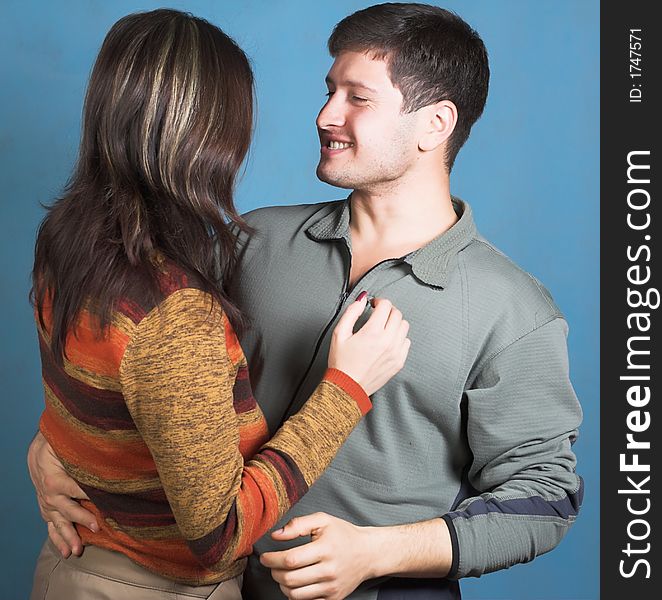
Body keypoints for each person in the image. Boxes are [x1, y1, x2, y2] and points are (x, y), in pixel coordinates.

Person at [28, 3, 584, 600]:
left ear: (435, 124)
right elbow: (133, 355)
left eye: (357, 98)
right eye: (328, 91)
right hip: (218, 584)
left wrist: (379, 553)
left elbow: (545, 499)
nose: (325, 115)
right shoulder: (249, 242)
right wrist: (52, 445)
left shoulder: (515, 312)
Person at [27, 8, 410, 600]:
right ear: (210, 135)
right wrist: (348, 388)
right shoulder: (172, 308)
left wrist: (48, 445)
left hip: (71, 567)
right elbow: (219, 533)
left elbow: (96, 393)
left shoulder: (67, 238)